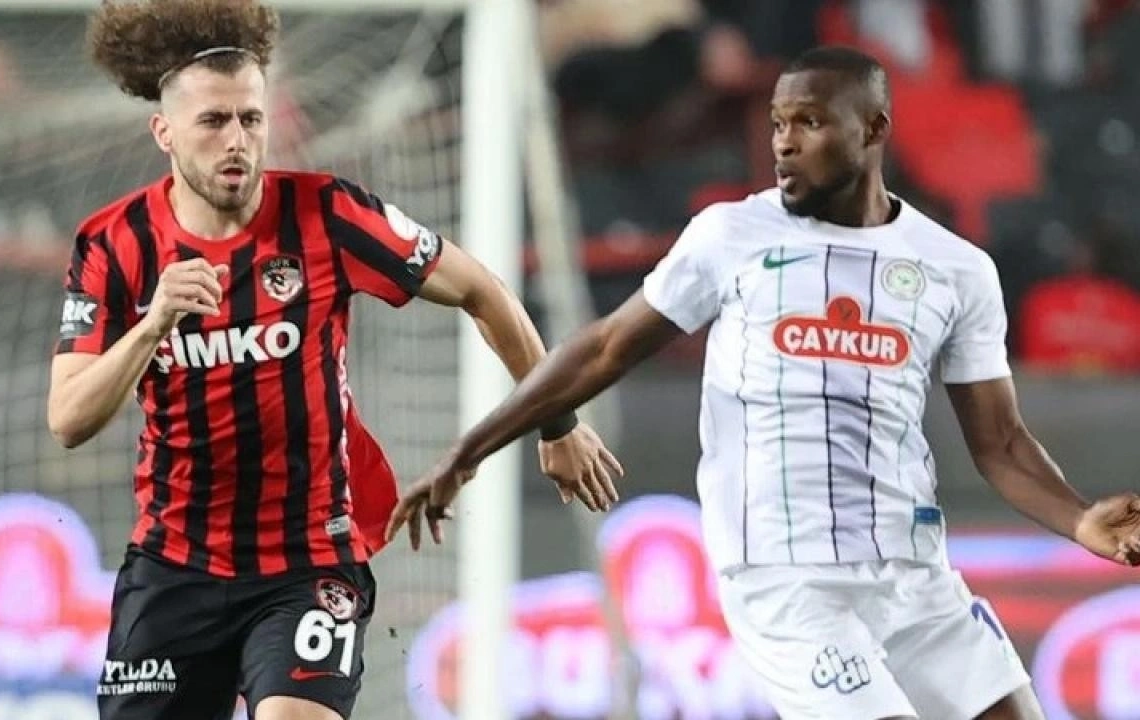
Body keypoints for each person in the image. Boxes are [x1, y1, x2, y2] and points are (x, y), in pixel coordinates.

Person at [387, 45, 1140, 720]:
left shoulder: (956, 269)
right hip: (787, 582)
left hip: (914, 577)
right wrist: (469, 451)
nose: (784, 141)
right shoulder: (732, 237)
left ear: (873, 129)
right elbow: (606, 347)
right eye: (779, 122)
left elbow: (1000, 442)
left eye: (809, 122)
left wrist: (1079, 520)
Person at [45, 2, 623, 719]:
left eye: (251, 119)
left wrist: (559, 423)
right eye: (213, 121)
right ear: (164, 132)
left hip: (309, 561)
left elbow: (484, 290)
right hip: (174, 567)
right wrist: (153, 324)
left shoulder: (327, 215)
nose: (237, 141)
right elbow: (68, 419)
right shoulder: (114, 244)